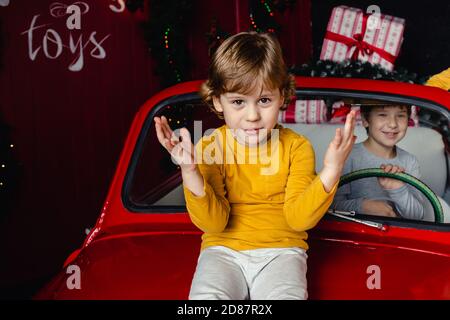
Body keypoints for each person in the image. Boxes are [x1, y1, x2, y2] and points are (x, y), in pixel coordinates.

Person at [154, 31, 356, 300]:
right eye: (238, 102)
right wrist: (190, 171)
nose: (252, 116)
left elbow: (299, 220)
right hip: (221, 250)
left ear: (282, 97)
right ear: (217, 101)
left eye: (264, 100)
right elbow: (214, 224)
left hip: (282, 251)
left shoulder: (297, 147)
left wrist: (331, 170)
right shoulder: (210, 147)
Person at [332, 103, 424, 220]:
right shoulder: (347, 156)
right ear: (365, 120)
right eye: (382, 115)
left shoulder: (410, 161)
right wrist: (363, 206)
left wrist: (397, 188)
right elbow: (328, 206)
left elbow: (417, 216)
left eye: (400, 116)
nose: (393, 124)